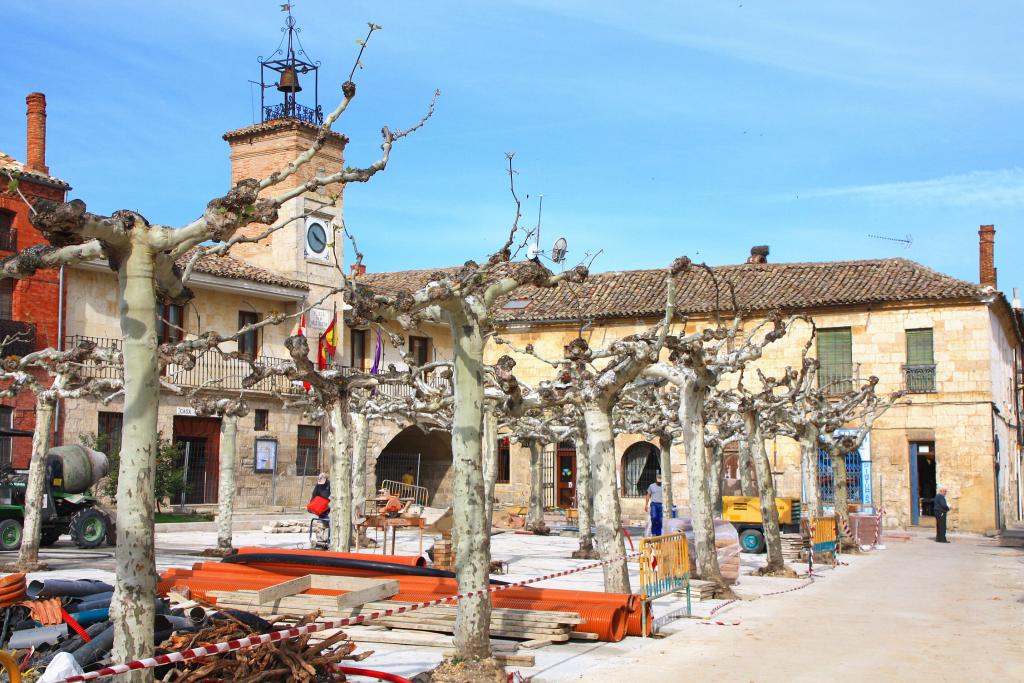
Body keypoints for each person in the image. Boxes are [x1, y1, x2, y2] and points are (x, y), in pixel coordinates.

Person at [645, 473, 664, 537]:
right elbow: (648, 495)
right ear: (656, 479)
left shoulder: (664, 486)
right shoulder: (651, 486)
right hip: (654, 504)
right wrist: (646, 505)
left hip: (661, 505)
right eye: (658, 481)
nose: (659, 482)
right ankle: (654, 532)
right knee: (654, 517)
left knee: (660, 520)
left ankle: (658, 534)